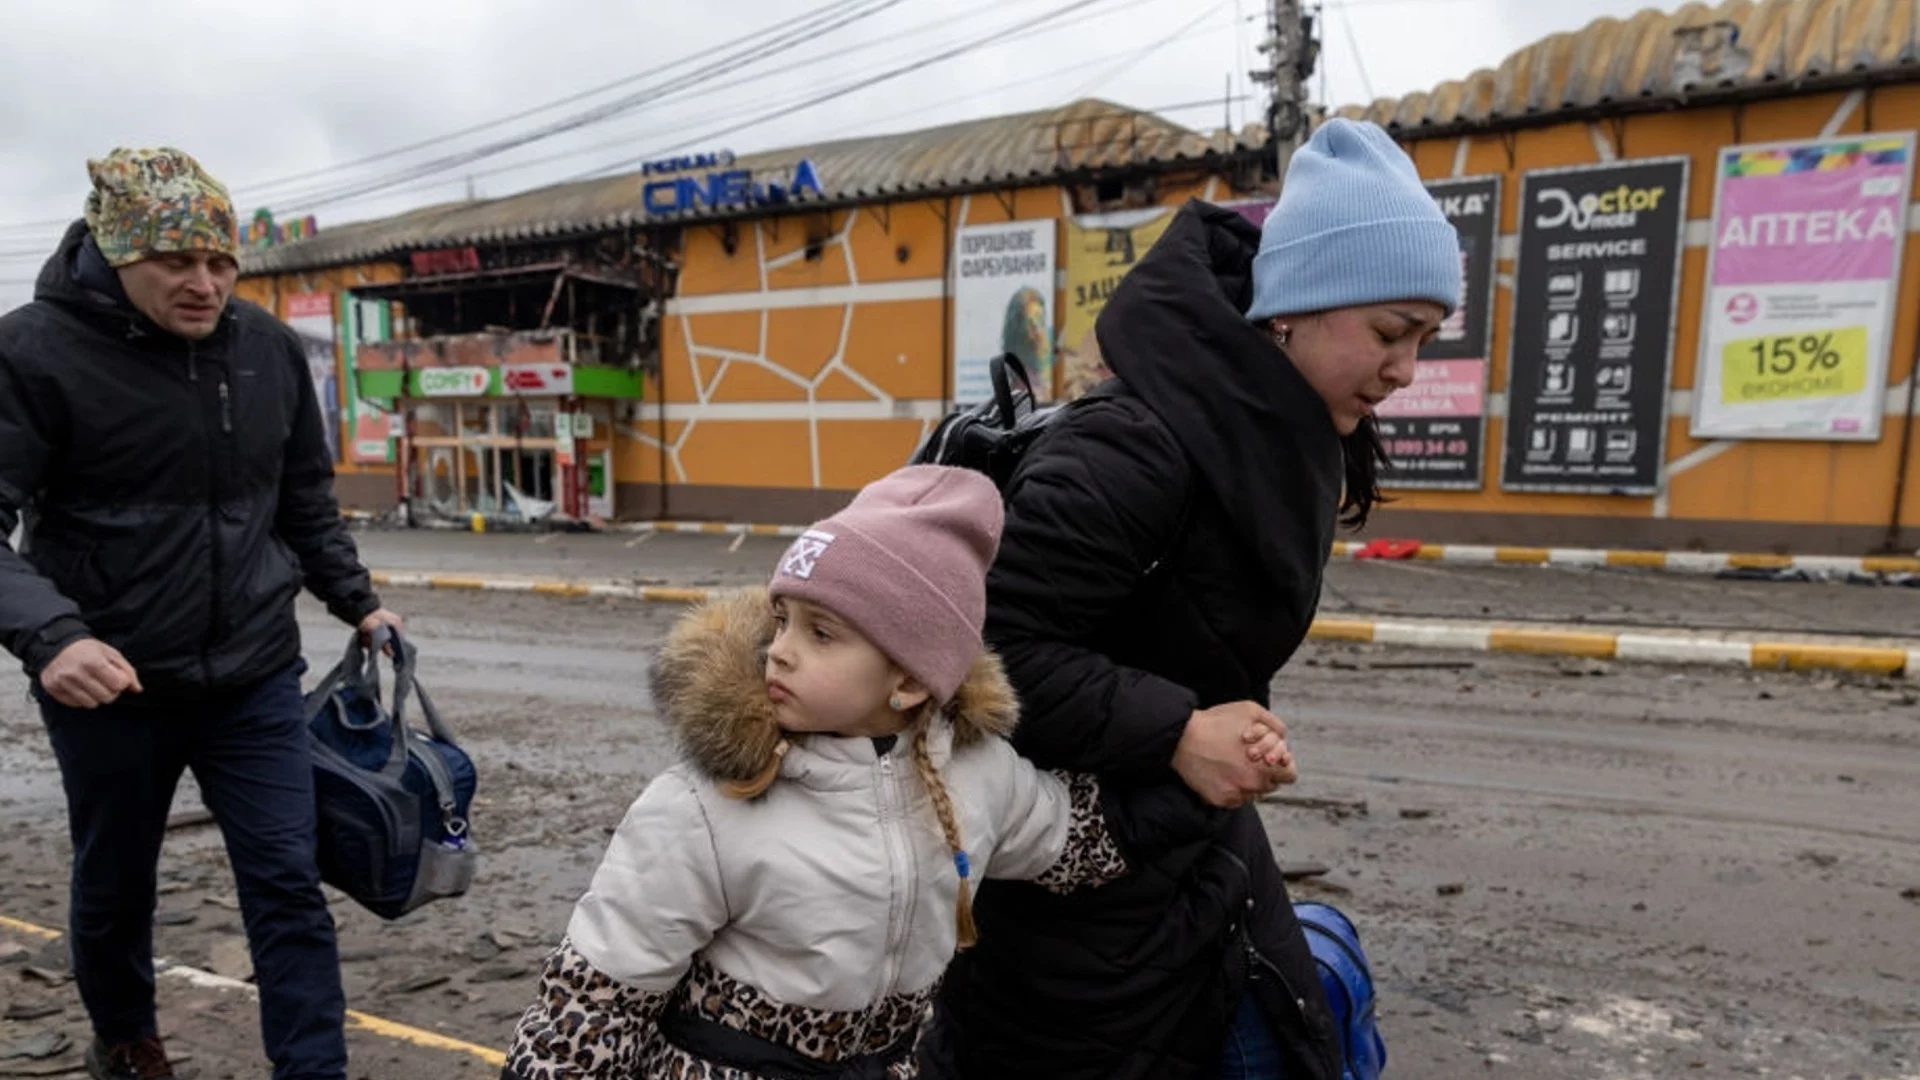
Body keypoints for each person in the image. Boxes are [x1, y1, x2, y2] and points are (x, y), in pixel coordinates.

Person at [928, 119, 1462, 1079]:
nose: (1406, 369)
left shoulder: (1277, 429)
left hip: (1192, 861)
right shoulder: (1136, 446)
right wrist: (1178, 729)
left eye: (1424, 337)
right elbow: (981, 653)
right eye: (1391, 332)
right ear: (1297, 304)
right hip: (1068, 914)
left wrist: (1202, 732)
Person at [501, 465, 1290, 1079]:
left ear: (910, 680)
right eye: (781, 619)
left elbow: (1080, 839)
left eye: (821, 632)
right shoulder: (706, 804)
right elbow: (595, 1001)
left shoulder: (980, 777)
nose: (779, 648)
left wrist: (1199, 774)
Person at [0, 148, 401, 1080]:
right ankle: (127, 1042)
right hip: (112, 683)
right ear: (117, 251)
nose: (204, 282)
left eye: (220, 261)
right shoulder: (32, 351)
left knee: (286, 884)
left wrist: (359, 600)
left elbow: (300, 496)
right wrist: (53, 637)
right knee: (115, 886)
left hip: (253, 674)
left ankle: (313, 1070)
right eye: (177, 261)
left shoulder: (262, 350)